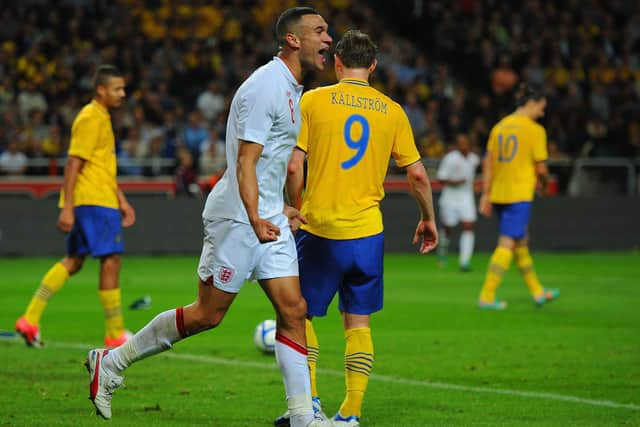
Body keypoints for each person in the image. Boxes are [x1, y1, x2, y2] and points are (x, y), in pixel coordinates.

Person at [84, 8, 333, 427]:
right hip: (237, 218)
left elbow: (275, 162)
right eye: (320, 31)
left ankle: (302, 416)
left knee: (294, 311)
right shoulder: (265, 87)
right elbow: (245, 163)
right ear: (293, 39)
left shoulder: (294, 90)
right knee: (206, 315)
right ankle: (110, 362)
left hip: (267, 216)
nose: (329, 39)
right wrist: (255, 215)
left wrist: (281, 205)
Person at [279, 30, 438, 427]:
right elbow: (417, 174)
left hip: (320, 229)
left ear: (336, 63)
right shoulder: (392, 110)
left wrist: (294, 208)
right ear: (373, 66)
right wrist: (427, 218)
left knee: (302, 317)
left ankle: (310, 403)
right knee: (358, 322)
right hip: (368, 231)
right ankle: (351, 411)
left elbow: (295, 164)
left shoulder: (313, 100)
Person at [15, 65, 136, 348]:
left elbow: (99, 165)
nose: (123, 94)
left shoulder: (101, 117)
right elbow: (73, 162)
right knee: (111, 260)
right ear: (101, 90)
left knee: (74, 260)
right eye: (117, 89)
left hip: (98, 197)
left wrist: (121, 199)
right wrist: (67, 206)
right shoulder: (90, 117)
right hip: (93, 201)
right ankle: (115, 333)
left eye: (123, 88)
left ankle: (30, 319)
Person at [477, 83, 559, 310]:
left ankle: (537, 292)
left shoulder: (499, 127)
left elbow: (489, 162)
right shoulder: (535, 130)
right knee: (507, 243)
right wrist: (543, 185)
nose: (542, 113)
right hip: (519, 192)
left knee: (521, 242)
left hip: (500, 193)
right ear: (531, 103)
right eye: (541, 108)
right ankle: (486, 295)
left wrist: (486, 193)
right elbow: (541, 169)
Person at [435, 133, 480, 271]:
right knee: (448, 228)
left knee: (468, 225)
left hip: (466, 198)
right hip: (450, 198)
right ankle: (442, 252)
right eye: (460, 143)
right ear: (456, 145)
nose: (463, 145)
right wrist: (456, 182)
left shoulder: (474, 159)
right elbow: (440, 178)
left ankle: (464, 261)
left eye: (465, 142)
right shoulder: (450, 158)